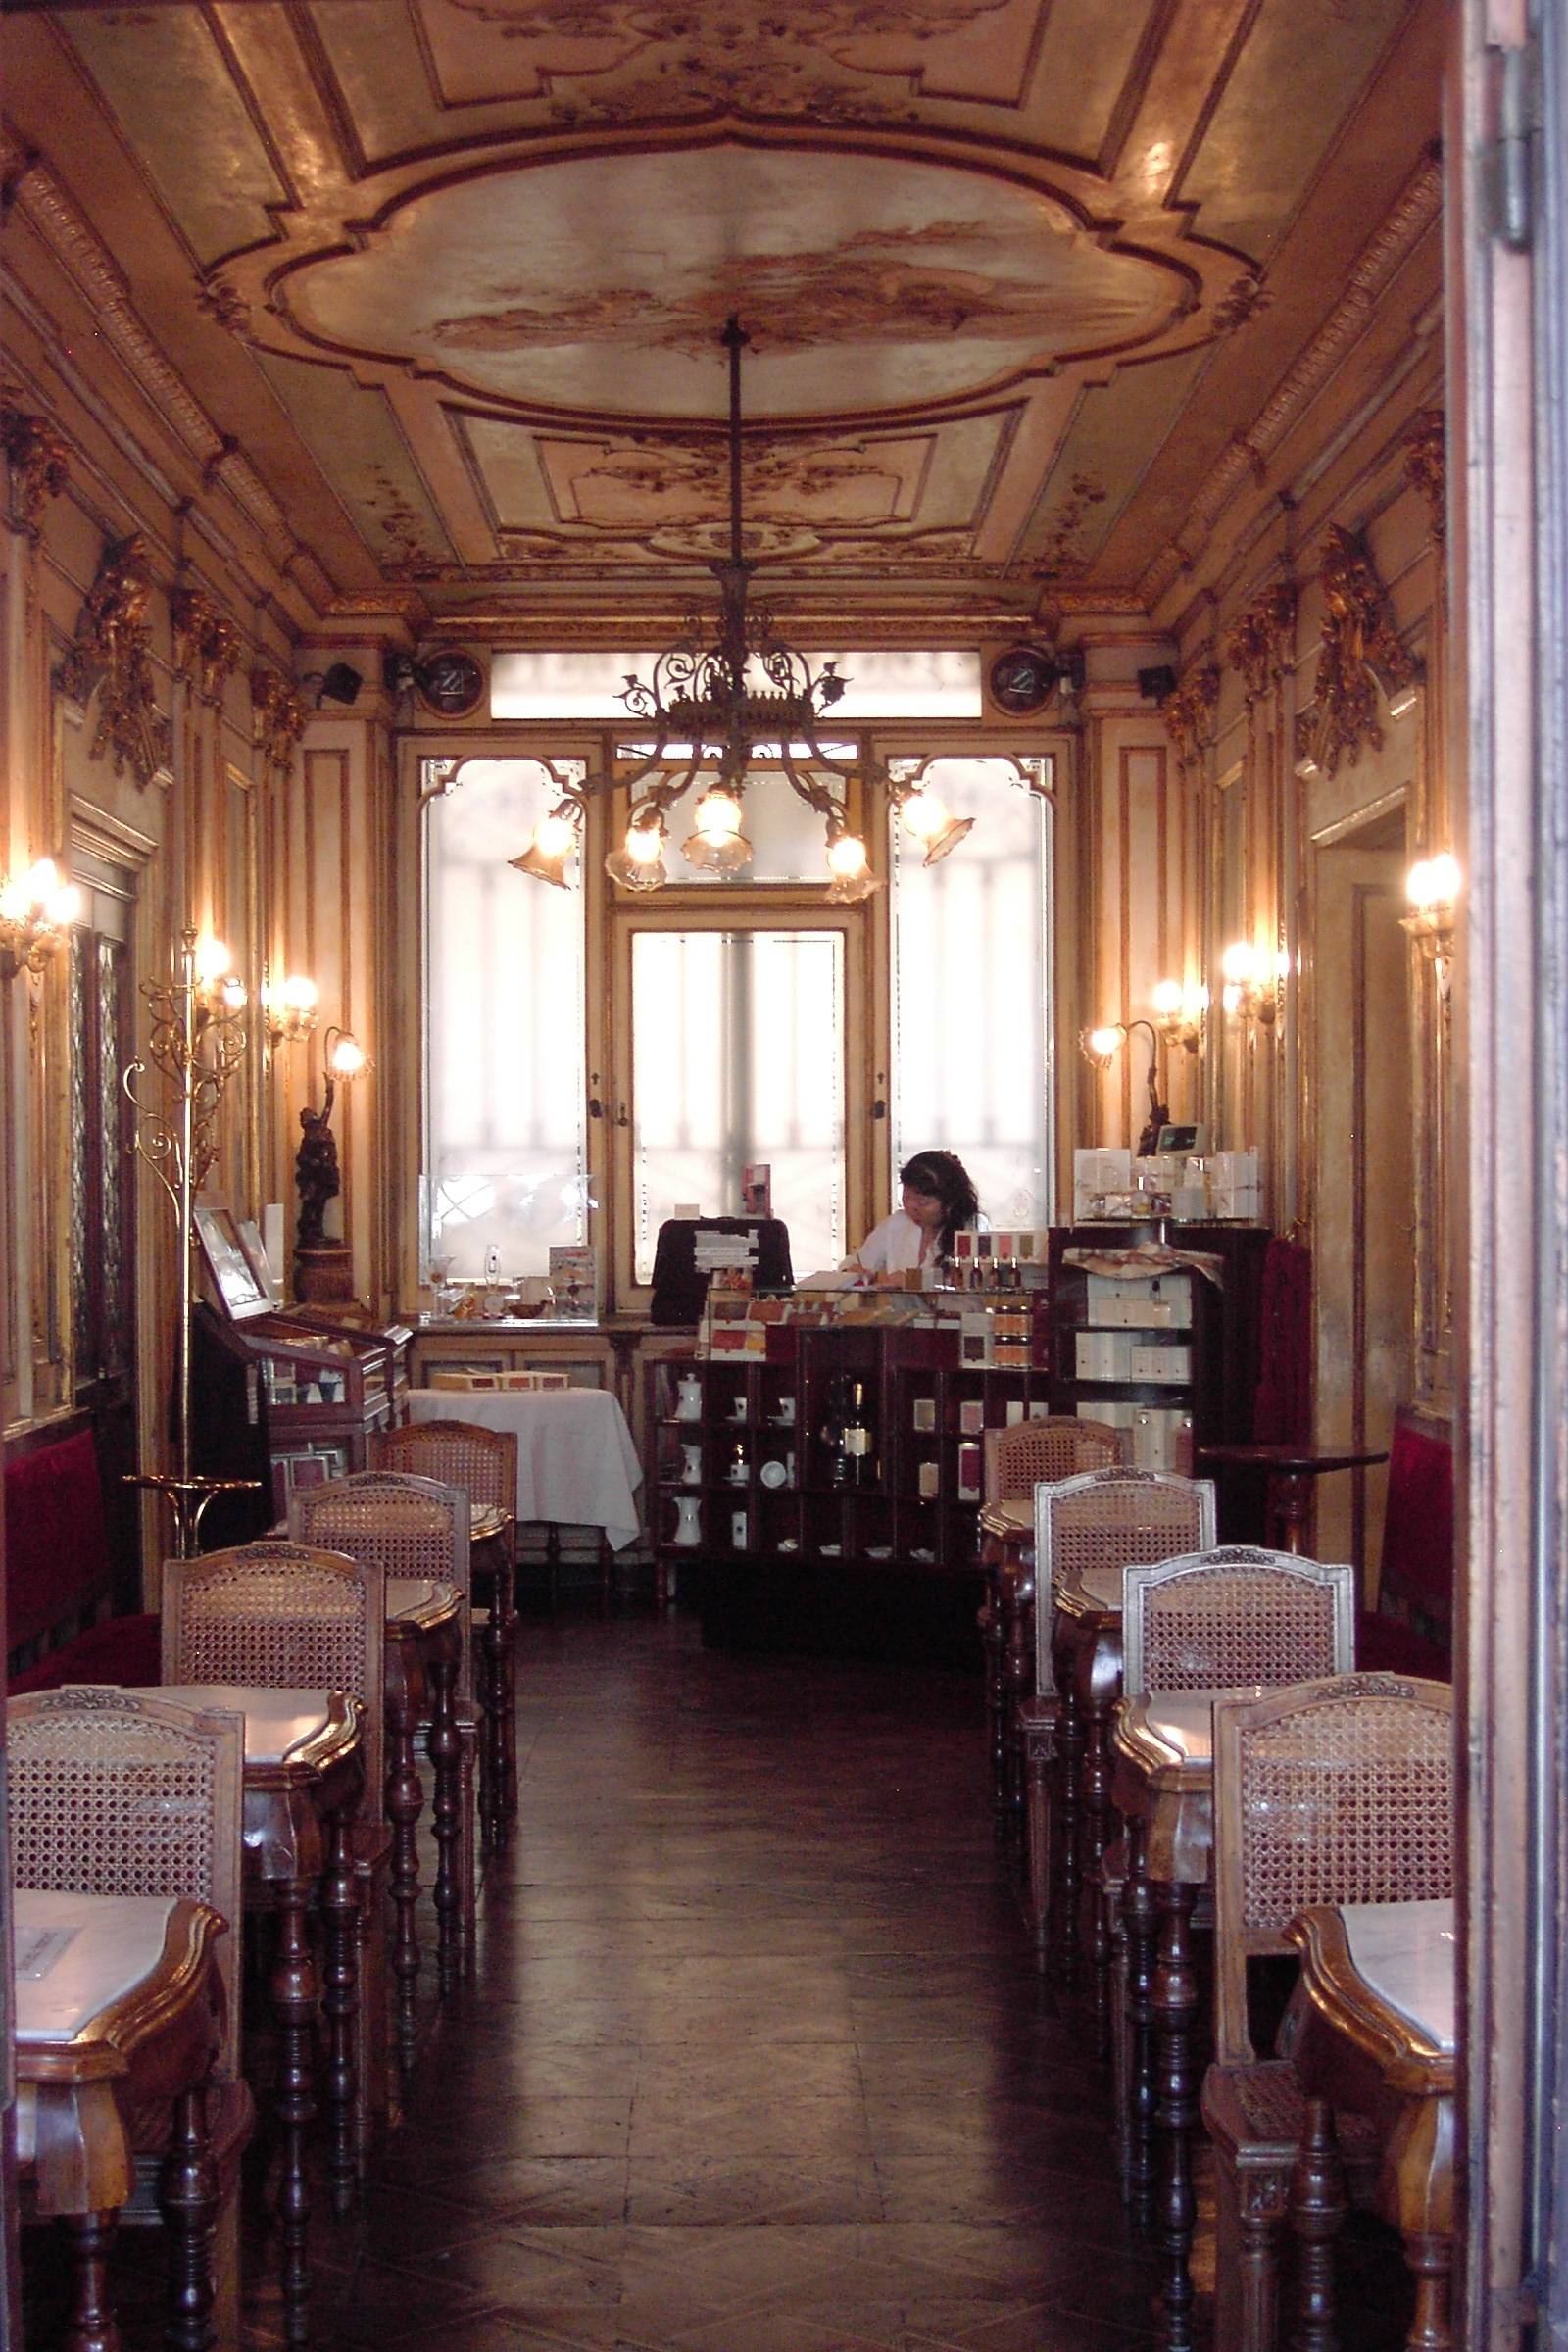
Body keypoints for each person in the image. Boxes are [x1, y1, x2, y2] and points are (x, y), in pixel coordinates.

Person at [850, 1150, 982, 1281]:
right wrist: (856, 1272)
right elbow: (857, 1263)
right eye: (906, 1197)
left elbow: (972, 1282)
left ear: (950, 1203)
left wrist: (912, 1281)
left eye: (922, 1202)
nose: (911, 1206)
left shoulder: (972, 1228)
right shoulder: (897, 1223)